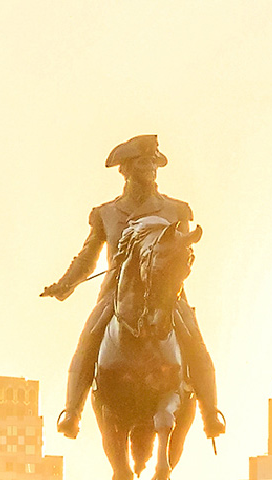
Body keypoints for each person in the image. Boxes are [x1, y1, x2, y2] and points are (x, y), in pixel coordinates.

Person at [42, 134, 225, 441]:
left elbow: (184, 252)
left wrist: (182, 265)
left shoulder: (176, 210)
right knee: (88, 340)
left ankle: (210, 414)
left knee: (195, 340)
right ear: (125, 169)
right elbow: (88, 257)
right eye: (143, 163)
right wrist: (65, 284)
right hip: (116, 296)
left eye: (154, 162)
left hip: (166, 294)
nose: (151, 168)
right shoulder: (107, 213)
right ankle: (72, 413)